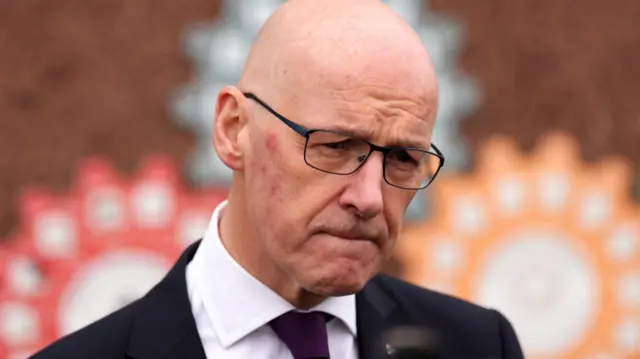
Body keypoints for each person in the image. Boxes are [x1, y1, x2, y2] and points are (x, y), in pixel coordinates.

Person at [31, 0, 524, 358]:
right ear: (233, 130)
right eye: (334, 146)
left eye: (401, 160)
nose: (370, 198)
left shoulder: (478, 346)